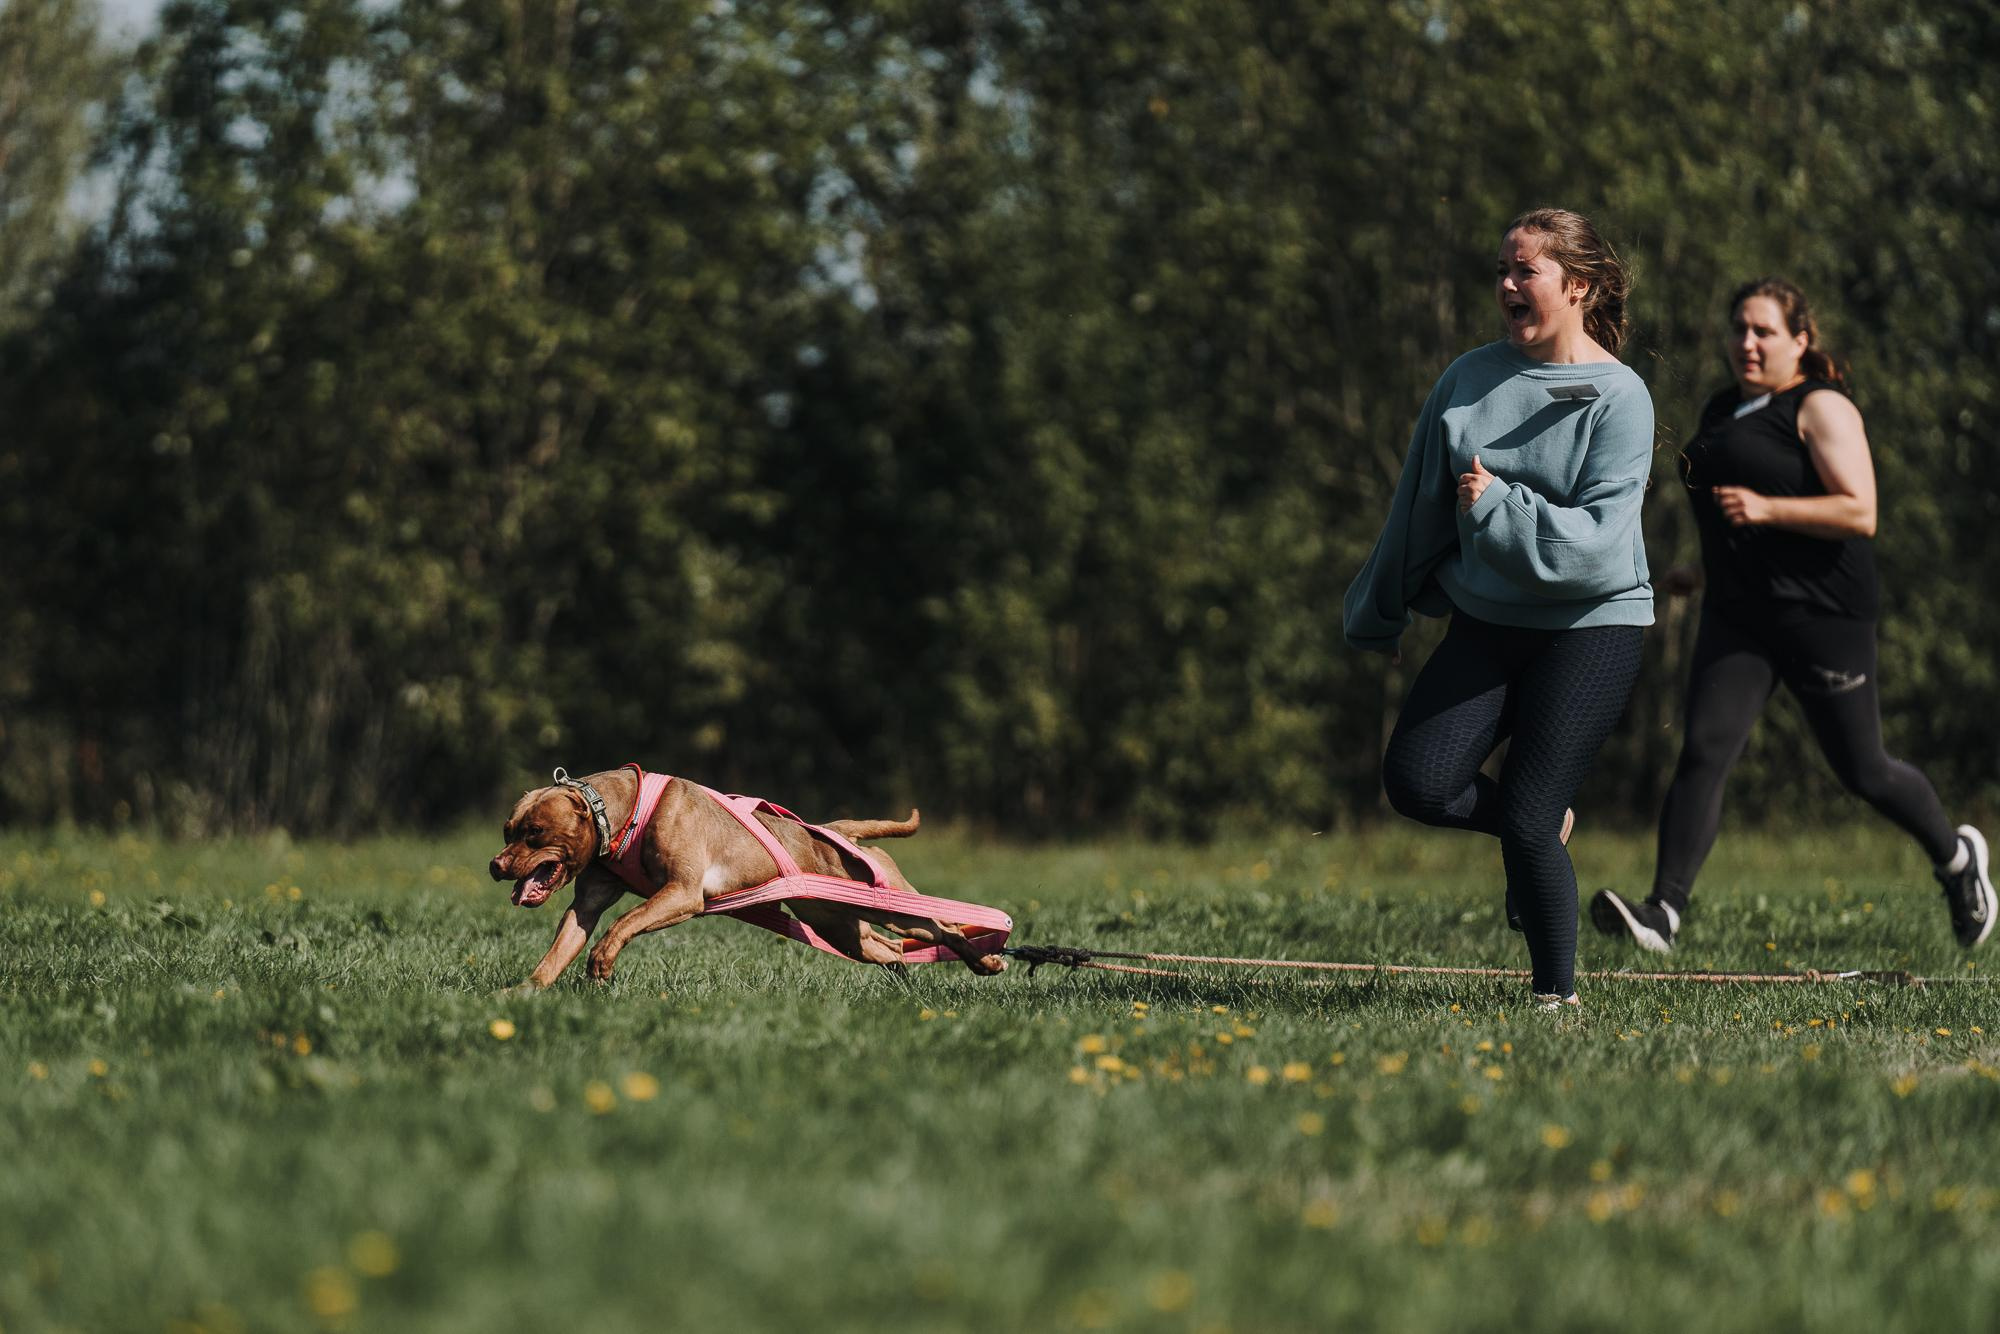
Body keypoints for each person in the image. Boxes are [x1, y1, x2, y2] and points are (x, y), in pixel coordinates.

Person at [1591, 279, 1995, 953]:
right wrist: (1705, 571)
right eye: (1737, 329)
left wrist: (1769, 509)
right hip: (1740, 613)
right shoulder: (1723, 409)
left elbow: (1859, 510)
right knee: (1704, 752)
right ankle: (1664, 912)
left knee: (1863, 769)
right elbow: (1729, 516)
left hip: (1822, 615)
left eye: (1764, 331)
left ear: (1800, 341)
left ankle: (1957, 860)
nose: (1745, 343)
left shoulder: (1820, 406)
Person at [1344, 207, 1655, 1012]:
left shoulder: (1621, 399)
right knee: (1416, 782)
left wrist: (1501, 507)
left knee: (1525, 814)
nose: (1507, 287)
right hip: (1490, 620)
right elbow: (1414, 509)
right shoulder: (1467, 379)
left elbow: (1594, 543)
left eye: (1526, 272)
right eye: (1502, 272)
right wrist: (1380, 613)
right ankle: (1544, 827)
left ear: (1577, 286)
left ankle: (1556, 1001)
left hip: (1593, 625)